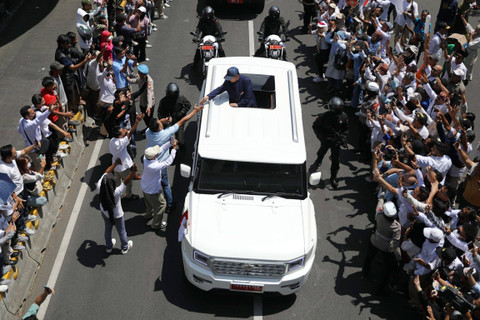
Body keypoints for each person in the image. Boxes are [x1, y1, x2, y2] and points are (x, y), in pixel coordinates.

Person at [145, 104, 204, 212]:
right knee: (166, 185)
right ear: (159, 127)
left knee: (154, 182)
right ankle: (170, 204)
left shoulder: (148, 132)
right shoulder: (165, 134)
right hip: (161, 163)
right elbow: (182, 121)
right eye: (159, 123)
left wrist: (165, 120)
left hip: (150, 161)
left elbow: (157, 123)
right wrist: (195, 111)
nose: (160, 122)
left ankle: (151, 203)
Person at [361, 200, 401, 296]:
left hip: (375, 240)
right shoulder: (396, 227)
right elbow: (396, 243)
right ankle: (379, 289)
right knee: (386, 270)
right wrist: (399, 257)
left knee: (369, 257)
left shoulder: (379, 215)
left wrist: (382, 195)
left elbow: (379, 203)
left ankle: (364, 272)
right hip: (386, 247)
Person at [96, 159, 136, 254]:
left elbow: (106, 172)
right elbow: (125, 181)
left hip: (105, 212)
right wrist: (133, 171)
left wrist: (115, 164)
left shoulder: (99, 185)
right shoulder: (116, 192)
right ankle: (125, 247)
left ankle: (109, 247)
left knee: (108, 229)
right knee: (121, 231)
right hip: (117, 215)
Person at [309, 97, 349, 189]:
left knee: (335, 161)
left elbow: (345, 129)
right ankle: (319, 160)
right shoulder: (323, 117)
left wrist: (343, 139)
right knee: (322, 151)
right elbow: (315, 127)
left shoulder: (343, 116)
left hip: (336, 142)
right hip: (326, 139)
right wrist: (323, 137)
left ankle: (333, 178)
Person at [141, 140, 178, 230]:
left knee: (149, 204)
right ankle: (156, 224)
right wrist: (174, 149)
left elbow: (160, 149)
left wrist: (170, 142)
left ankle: (148, 215)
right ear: (154, 157)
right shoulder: (154, 166)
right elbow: (167, 162)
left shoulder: (146, 158)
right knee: (162, 205)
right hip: (153, 189)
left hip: (145, 186)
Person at [109, 113, 143, 200]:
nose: (124, 130)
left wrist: (125, 133)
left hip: (116, 166)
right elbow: (131, 132)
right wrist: (137, 122)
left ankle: (116, 194)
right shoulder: (121, 143)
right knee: (128, 182)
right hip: (124, 167)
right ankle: (128, 195)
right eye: (122, 131)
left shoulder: (112, 141)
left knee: (117, 181)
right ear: (120, 135)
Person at [157, 82, 191, 149]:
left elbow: (188, 105)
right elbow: (159, 113)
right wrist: (165, 119)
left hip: (179, 121)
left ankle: (182, 150)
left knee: (180, 140)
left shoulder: (181, 98)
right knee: (167, 140)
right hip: (168, 123)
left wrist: (179, 114)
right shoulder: (163, 101)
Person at [129, 64, 154, 133]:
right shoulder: (141, 78)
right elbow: (137, 81)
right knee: (145, 118)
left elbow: (150, 93)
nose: (138, 73)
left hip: (148, 104)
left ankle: (150, 131)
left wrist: (149, 107)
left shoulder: (149, 81)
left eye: (139, 72)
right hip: (142, 102)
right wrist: (129, 80)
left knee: (148, 119)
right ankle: (148, 128)